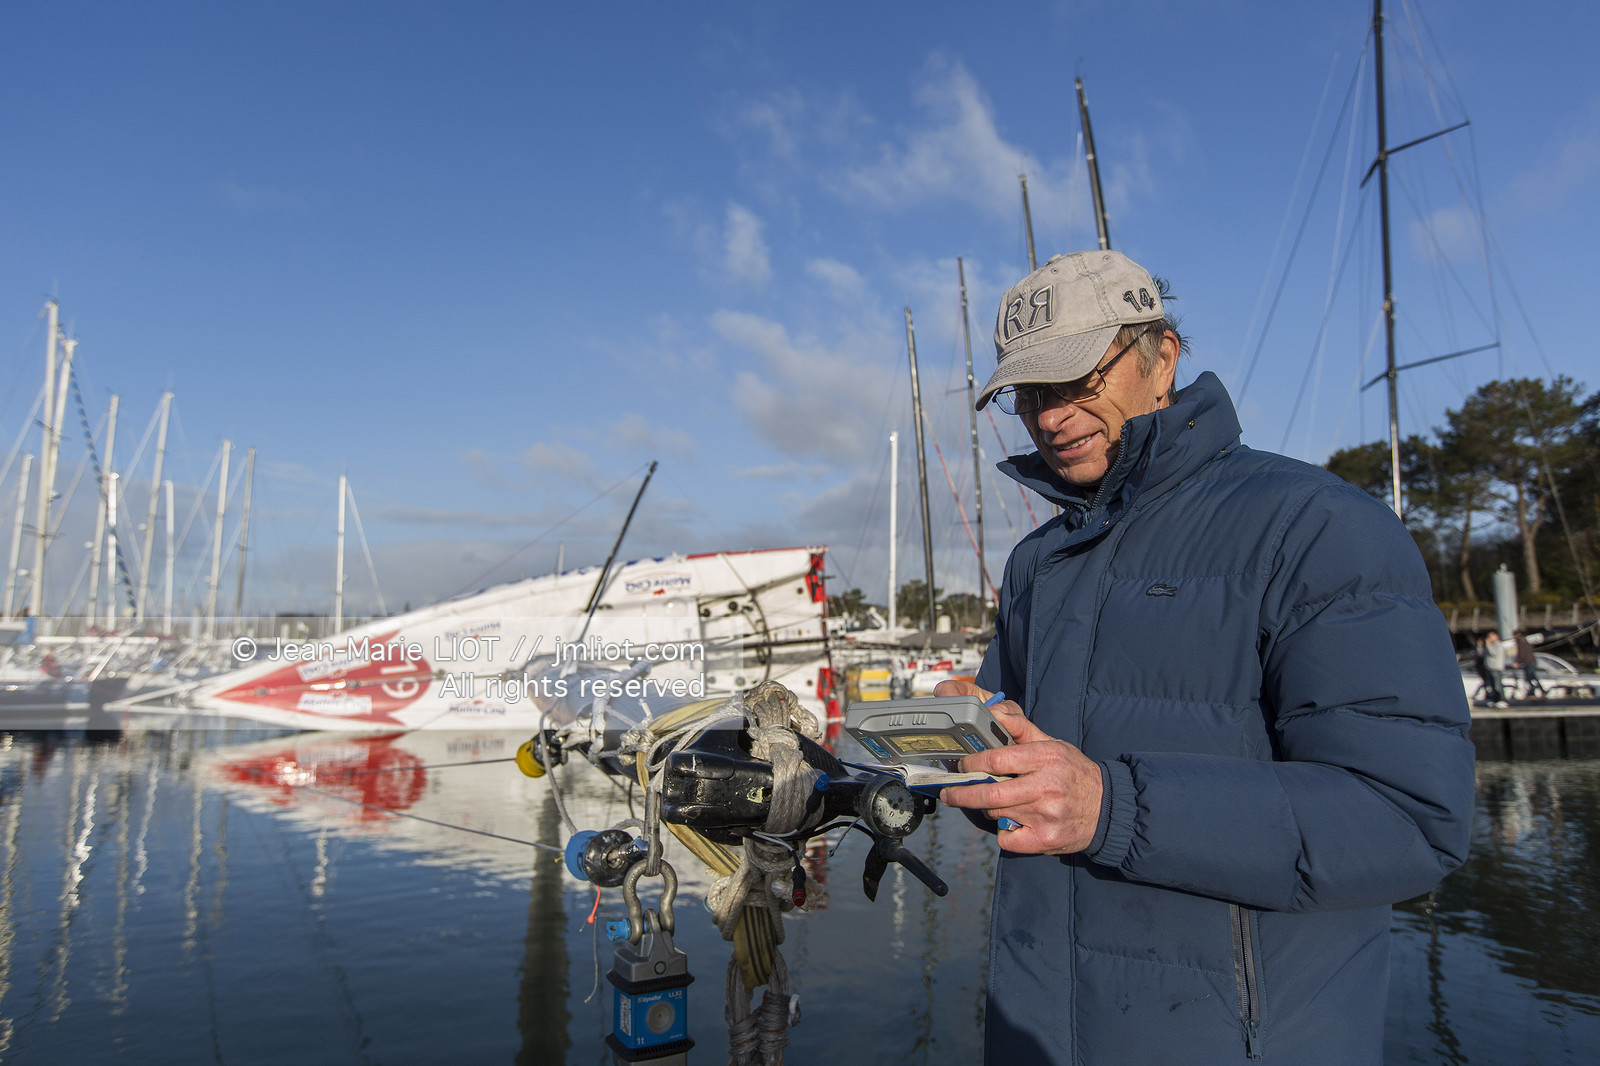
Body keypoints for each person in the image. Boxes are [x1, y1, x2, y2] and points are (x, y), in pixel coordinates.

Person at [936, 250, 1476, 1065]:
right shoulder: (1035, 562)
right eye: (1031, 393)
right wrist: (967, 751)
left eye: (1079, 378)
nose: (1051, 416)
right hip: (1036, 1033)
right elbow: (1025, 791)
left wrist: (1111, 807)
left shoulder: (1318, 525)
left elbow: (1408, 819)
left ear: (1164, 356)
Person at [1513, 629, 1546, 699]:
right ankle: (1541, 690)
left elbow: (1521, 654)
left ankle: (1532, 691)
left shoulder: (1520, 642)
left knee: (1529, 678)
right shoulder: (1525, 641)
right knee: (1533, 677)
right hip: (1531, 661)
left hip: (1528, 662)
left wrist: (1518, 662)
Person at [1485, 630, 1509, 706]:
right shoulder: (1491, 645)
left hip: (1496, 668)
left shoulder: (1497, 644)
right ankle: (1494, 700)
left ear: (1496, 636)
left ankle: (1501, 700)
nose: (1488, 638)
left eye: (1490, 636)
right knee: (1491, 685)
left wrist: (1488, 645)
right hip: (1490, 668)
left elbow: (1494, 653)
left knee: (1497, 685)